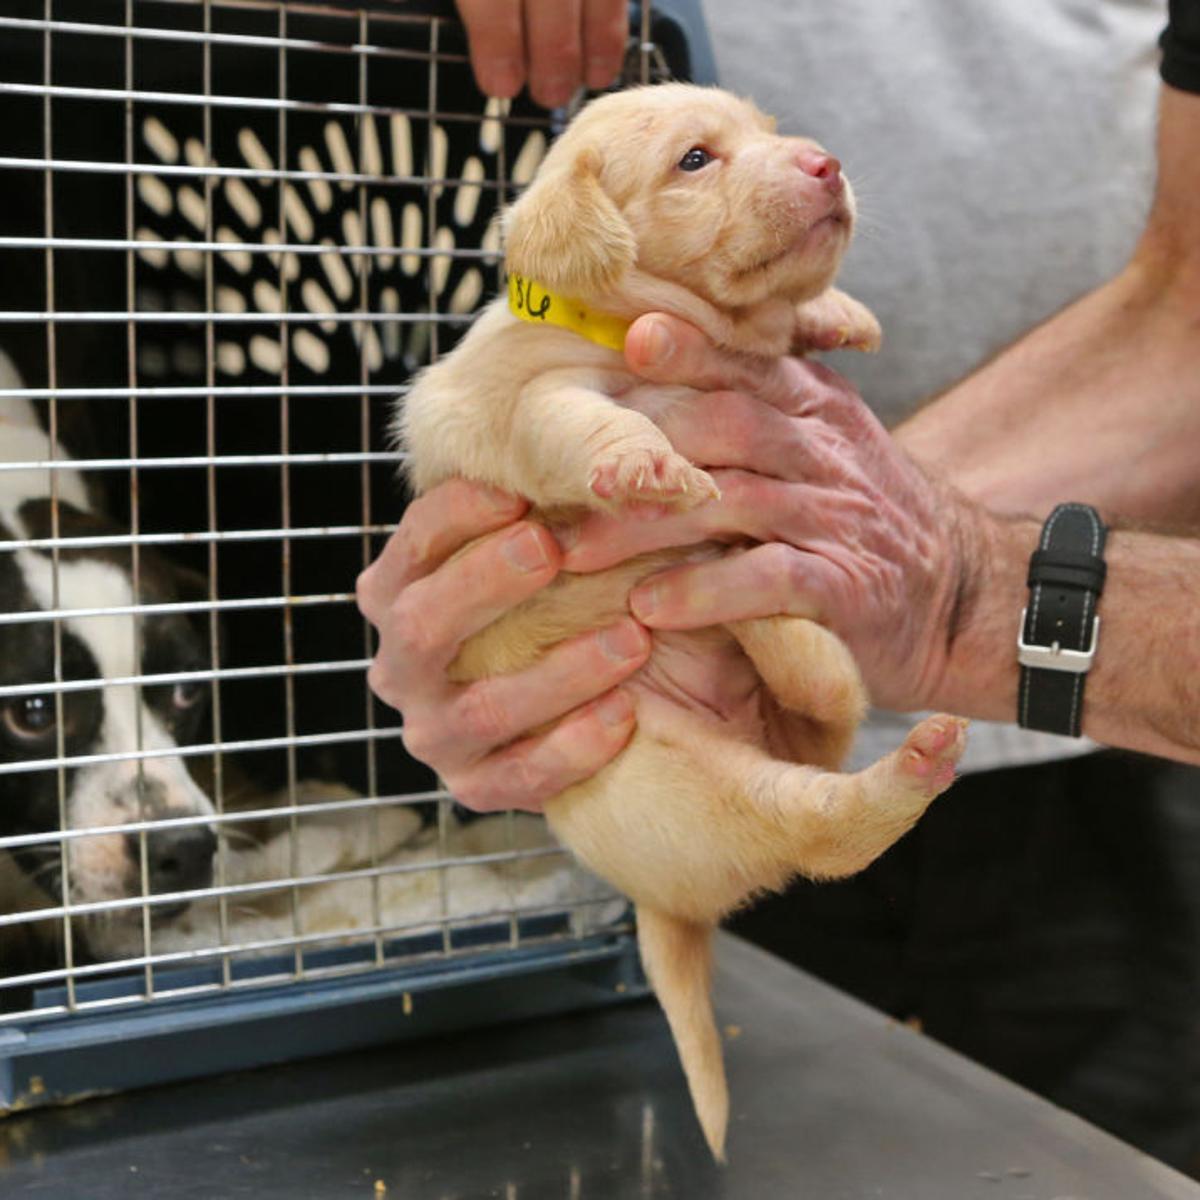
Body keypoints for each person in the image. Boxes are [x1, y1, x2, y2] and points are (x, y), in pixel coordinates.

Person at [360, 0, 1200, 1172]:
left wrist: (947, 580)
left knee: (1093, 1156)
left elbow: (1189, 308)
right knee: (764, 1153)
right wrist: (829, 552)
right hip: (716, 709)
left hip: (1104, 733)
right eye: (708, 155)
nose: (805, 158)